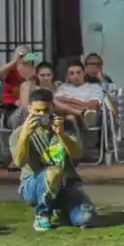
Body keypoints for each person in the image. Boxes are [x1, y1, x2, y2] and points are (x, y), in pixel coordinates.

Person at [12, 88, 95, 231]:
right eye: (37, 111)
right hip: (33, 185)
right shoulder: (19, 133)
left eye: (46, 110)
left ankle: (59, 209)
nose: (42, 115)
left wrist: (62, 135)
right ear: (30, 109)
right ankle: (42, 215)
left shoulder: (66, 126)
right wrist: (24, 137)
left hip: (65, 184)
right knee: (54, 172)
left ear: (53, 108)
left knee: (85, 218)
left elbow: (77, 154)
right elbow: (18, 162)